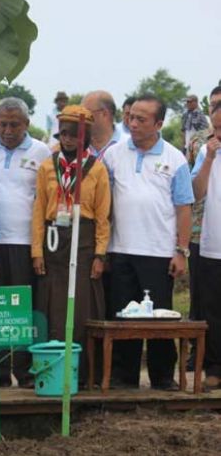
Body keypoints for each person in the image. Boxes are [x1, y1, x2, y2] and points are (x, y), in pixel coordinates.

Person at [103, 94, 193, 391]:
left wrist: (181, 251)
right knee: (122, 315)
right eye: (131, 117)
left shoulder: (174, 158)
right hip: (121, 250)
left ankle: (163, 376)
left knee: (160, 317)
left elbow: (183, 207)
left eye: (142, 119)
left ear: (159, 123)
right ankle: (123, 376)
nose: (133, 123)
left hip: (158, 252)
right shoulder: (114, 154)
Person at [32, 105, 111, 382]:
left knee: (82, 308)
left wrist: (100, 254)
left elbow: (103, 216)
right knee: (52, 306)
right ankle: (52, 372)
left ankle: (86, 374)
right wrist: (36, 251)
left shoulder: (97, 169)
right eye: (64, 133)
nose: (68, 139)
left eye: (75, 135)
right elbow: (39, 212)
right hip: (54, 242)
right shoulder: (47, 167)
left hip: (86, 241)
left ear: (85, 137)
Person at [0, 96, 51, 388]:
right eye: (2, 124)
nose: (8, 130)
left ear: (27, 124)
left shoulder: (42, 151)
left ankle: (24, 371)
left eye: (15, 124)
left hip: (26, 243)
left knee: (23, 309)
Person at [185, 86, 221, 370]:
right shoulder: (204, 148)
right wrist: (209, 157)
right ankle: (210, 365)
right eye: (216, 127)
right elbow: (195, 192)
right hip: (209, 239)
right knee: (209, 306)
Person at [81, 91, 127, 160]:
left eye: (86, 112)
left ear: (104, 114)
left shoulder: (128, 145)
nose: (81, 117)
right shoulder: (76, 145)